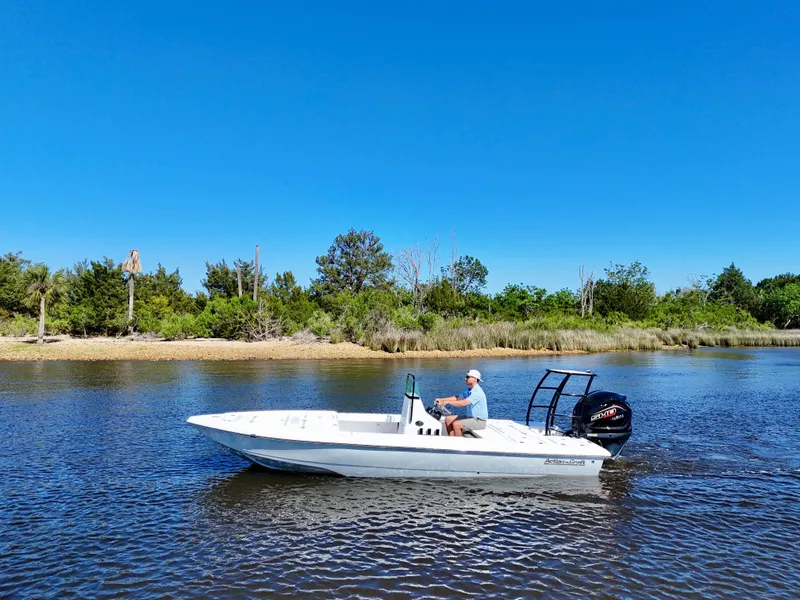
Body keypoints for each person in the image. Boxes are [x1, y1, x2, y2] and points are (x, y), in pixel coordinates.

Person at [434, 369, 488, 436]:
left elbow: (463, 403)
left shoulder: (477, 392)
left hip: (479, 421)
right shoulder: (469, 390)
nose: (465, 379)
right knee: (448, 419)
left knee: (456, 424)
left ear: (475, 379)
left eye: (468, 377)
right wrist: (441, 399)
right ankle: (452, 439)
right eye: (466, 377)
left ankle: (459, 442)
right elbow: (457, 398)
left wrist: (447, 402)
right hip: (469, 417)